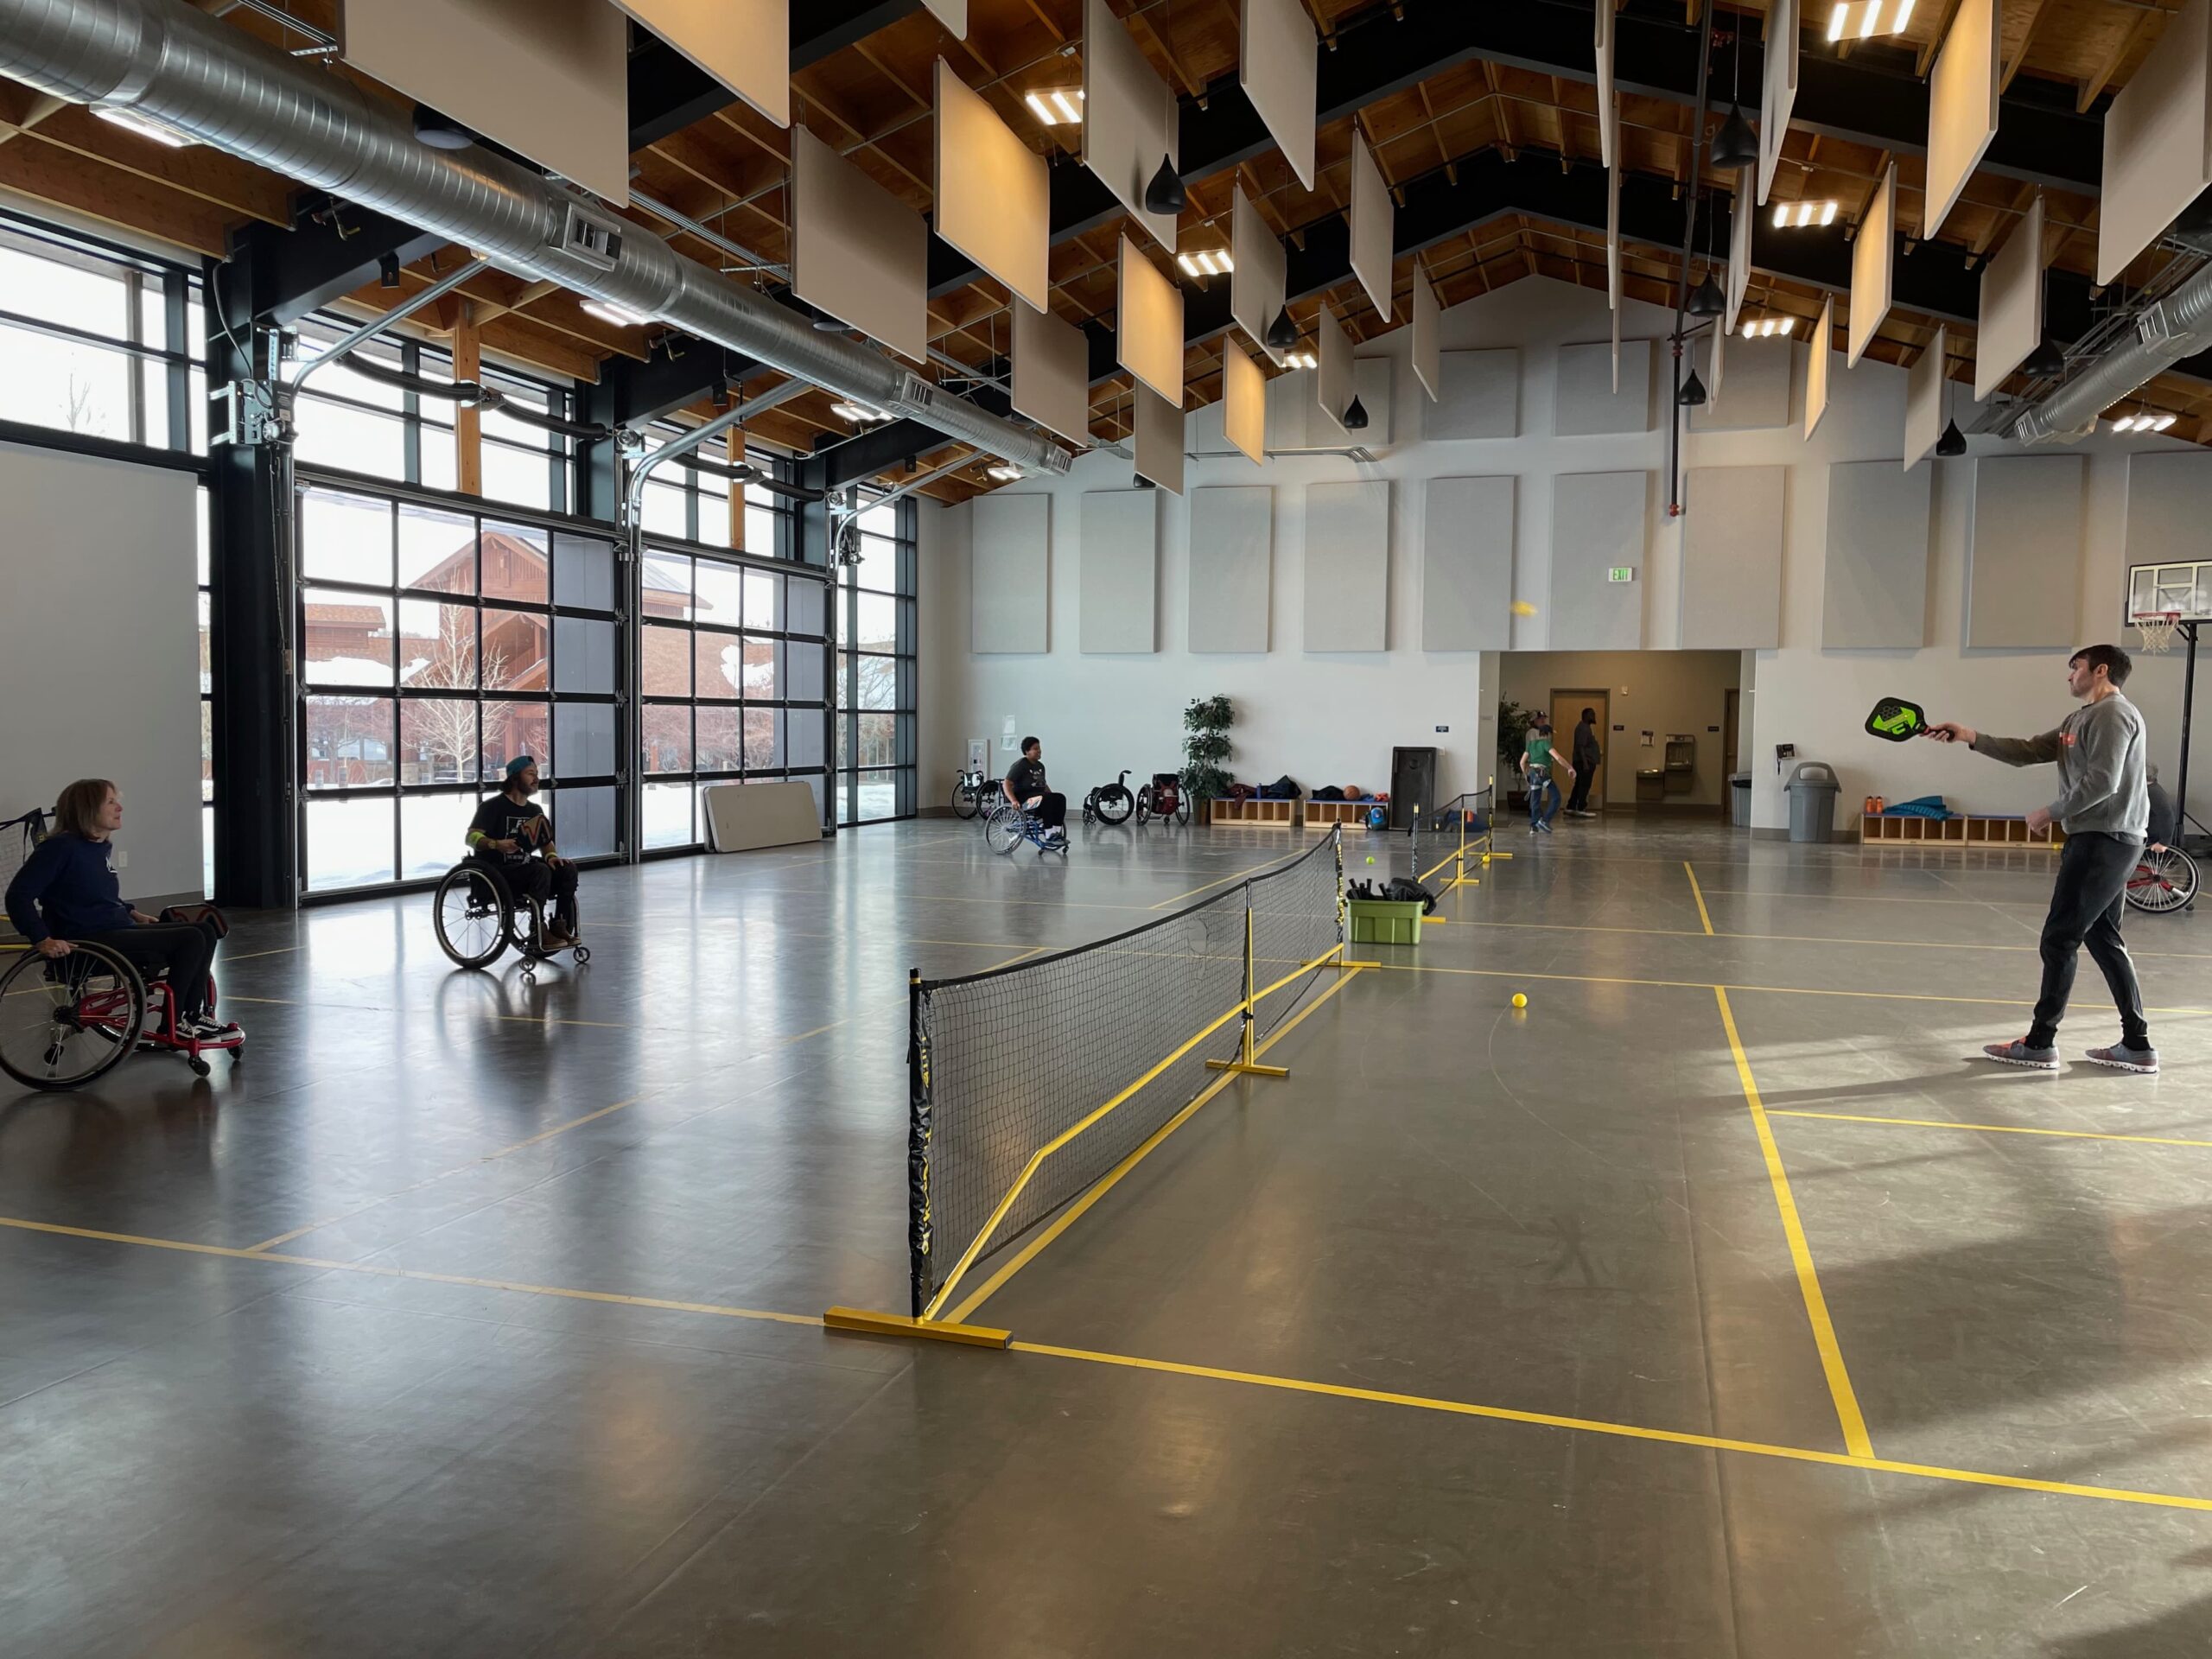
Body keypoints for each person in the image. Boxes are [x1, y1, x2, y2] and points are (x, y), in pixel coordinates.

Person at [1926, 643, 2156, 1073]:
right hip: (2103, 839)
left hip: (2103, 839)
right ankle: (2137, 1044)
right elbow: (2030, 750)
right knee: (2103, 939)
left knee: (2059, 939)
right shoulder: (2079, 719)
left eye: (2076, 667)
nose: (2069, 675)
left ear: (2101, 670)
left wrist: (2050, 812)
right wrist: (1970, 736)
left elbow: (2104, 781)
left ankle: (2039, 1043)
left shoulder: (2113, 714)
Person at [3, 778, 238, 1040]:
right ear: (88, 809)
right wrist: (42, 939)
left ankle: (192, 1015)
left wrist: (131, 912)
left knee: (205, 930)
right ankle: (176, 1021)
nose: (119, 808)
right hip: (87, 939)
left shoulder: (97, 847)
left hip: (113, 929)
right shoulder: (59, 848)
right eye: (111, 802)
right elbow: (18, 896)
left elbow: (95, 894)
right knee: (191, 938)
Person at [467, 755, 578, 947]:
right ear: (515, 778)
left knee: (567, 869)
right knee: (539, 871)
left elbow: (545, 842)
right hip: (498, 871)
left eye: (537, 774)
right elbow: (471, 837)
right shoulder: (492, 807)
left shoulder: (534, 810)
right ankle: (537, 929)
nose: (536, 779)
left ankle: (559, 924)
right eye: (530, 774)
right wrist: (496, 844)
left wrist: (551, 857)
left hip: (525, 869)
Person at [1002, 736, 1067, 847]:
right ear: (1027, 751)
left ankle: (1056, 832)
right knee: (1046, 798)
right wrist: (1013, 801)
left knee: (1060, 797)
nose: (1039, 751)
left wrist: (1053, 797)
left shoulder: (1040, 766)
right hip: (1023, 798)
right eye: (1035, 749)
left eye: (1039, 748)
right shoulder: (1021, 765)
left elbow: (1043, 785)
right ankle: (1049, 834)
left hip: (1038, 797)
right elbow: (1006, 783)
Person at [1522, 714, 1562, 834]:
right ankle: (1544, 821)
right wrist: (1570, 768)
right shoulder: (1538, 738)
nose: (1543, 720)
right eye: (1540, 719)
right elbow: (1557, 757)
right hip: (1540, 771)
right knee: (1556, 796)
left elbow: (1522, 761)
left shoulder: (1534, 742)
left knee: (1535, 799)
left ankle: (1533, 825)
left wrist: (1526, 774)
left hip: (1533, 771)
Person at [1567, 707, 1602, 818]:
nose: (1594, 717)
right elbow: (1580, 747)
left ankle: (1571, 806)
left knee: (1579, 785)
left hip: (1584, 762)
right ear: (1586, 716)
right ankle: (1581, 807)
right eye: (1592, 714)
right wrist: (1585, 763)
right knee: (1584, 785)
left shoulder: (1586, 728)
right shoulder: (1583, 728)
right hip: (1584, 763)